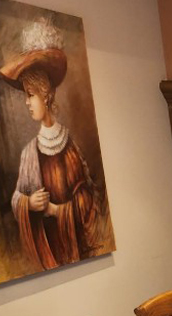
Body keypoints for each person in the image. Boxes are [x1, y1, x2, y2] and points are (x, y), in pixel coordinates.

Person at [1, 26, 107, 270]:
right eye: (26, 96)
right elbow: (17, 198)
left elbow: (89, 199)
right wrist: (29, 203)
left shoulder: (70, 146)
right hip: (49, 252)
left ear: (46, 95)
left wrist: (56, 210)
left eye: (30, 95)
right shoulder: (29, 153)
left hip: (76, 250)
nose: (27, 103)